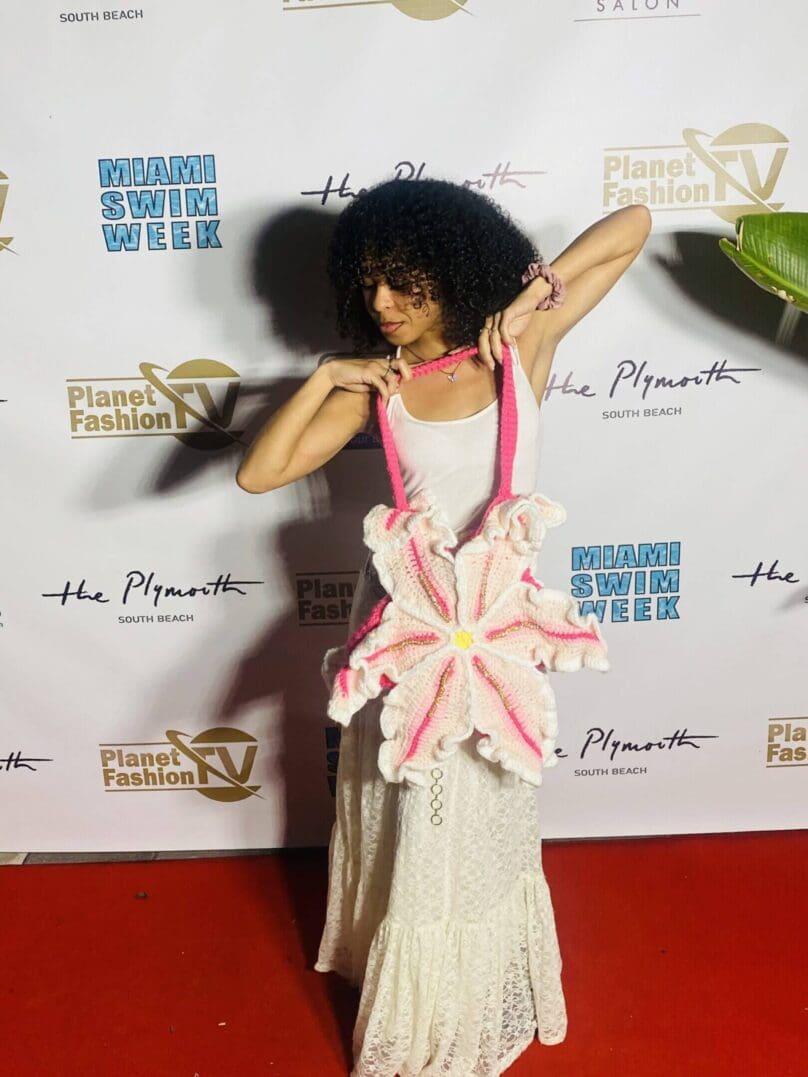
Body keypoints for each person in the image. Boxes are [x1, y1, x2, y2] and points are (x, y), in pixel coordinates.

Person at [237, 179, 651, 1076]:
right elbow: (260, 475)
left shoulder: (520, 349)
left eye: (405, 280)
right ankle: (413, 1007)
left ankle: (474, 992)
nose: (383, 304)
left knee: (480, 808)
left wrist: (527, 294)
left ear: (451, 268)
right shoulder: (378, 390)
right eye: (370, 284)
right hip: (405, 635)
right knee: (411, 814)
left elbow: (632, 227)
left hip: (494, 636)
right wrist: (324, 376)